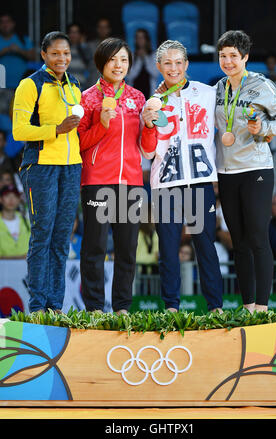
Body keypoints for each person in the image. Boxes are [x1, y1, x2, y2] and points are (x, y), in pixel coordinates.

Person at [141, 39, 223, 314]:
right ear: (159, 66)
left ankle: (215, 307)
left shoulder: (207, 93)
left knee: (205, 245)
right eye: (168, 63)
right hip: (165, 184)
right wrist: (148, 121)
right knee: (168, 248)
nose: (174, 68)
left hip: (200, 181)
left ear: (187, 64)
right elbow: (147, 151)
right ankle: (171, 308)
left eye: (178, 62)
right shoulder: (153, 102)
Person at [215, 30, 276, 313]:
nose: (227, 61)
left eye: (233, 56)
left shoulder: (262, 86)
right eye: (223, 56)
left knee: (258, 238)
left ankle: (262, 307)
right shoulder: (218, 88)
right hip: (227, 173)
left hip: (256, 169)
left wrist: (265, 130)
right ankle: (247, 306)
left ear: (245, 57)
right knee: (239, 242)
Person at [12, 31, 82, 313]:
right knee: (42, 234)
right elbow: (19, 130)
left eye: (66, 53)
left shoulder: (74, 84)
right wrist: (56, 130)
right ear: (43, 55)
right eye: (55, 53)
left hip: (71, 167)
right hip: (40, 166)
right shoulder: (30, 85)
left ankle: (56, 305)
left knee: (62, 237)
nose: (62, 58)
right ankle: (37, 305)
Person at [78, 37, 146, 315]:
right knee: (94, 248)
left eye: (124, 60)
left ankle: (122, 308)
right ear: (101, 63)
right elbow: (79, 143)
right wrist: (103, 125)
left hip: (130, 182)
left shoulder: (138, 98)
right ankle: (94, 307)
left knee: (128, 249)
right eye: (113, 59)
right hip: (97, 180)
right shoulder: (87, 98)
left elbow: (146, 144)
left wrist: (153, 126)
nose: (118, 65)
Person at [0, 13, 35, 89]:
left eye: (7, 21)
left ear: (13, 24)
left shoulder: (23, 39)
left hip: (21, 86)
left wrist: (20, 51)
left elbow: (33, 57)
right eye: (2, 22)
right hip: (1, 86)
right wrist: (3, 51)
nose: (5, 24)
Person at [127, 28, 159, 99]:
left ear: (147, 40)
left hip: (149, 92)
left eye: (142, 37)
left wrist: (145, 57)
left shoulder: (153, 55)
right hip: (134, 93)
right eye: (138, 37)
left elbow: (154, 74)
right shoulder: (131, 55)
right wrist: (139, 59)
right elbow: (130, 76)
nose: (140, 40)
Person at [0, 184, 30, 259]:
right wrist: (18, 258)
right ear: (1, 199)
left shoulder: (28, 223)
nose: (11, 199)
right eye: (7, 195)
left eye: (15, 196)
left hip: (24, 269)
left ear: (19, 199)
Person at [86, 18, 113, 88]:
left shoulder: (115, 47)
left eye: (105, 27)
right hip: (93, 83)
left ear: (109, 29)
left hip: (111, 85)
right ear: (97, 29)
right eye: (100, 27)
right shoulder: (90, 46)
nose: (102, 30)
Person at [67, 23, 92, 90]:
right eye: (71, 32)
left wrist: (82, 44)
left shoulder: (85, 49)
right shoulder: (64, 50)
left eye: (76, 32)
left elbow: (90, 64)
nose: (74, 35)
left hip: (82, 89)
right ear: (68, 34)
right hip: (67, 89)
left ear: (80, 35)